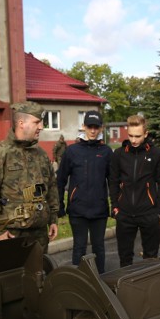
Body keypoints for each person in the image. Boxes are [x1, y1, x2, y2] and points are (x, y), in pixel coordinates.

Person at [0, 101, 59, 250]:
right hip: (12, 233)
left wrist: (53, 219)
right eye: (37, 122)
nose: (41, 127)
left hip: (39, 233)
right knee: (13, 272)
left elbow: (51, 186)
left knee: (40, 271)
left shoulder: (41, 154)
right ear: (21, 123)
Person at [109, 114, 160, 267]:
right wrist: (115, 207)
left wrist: (158, 210)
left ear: (146, 134)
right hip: (124, 214)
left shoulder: (156, 154)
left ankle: (148, 289)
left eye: (138, 136)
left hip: (149, 213)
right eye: (130, 136)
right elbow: (113, 182)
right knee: (125, 258)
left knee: (150, 258)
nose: (134, 140)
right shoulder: (119, 154)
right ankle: (126, 289)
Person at [57, 111, 111, 273]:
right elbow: (60, 179)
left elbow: (114, 181)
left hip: (99, 210)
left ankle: (100, 282)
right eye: (89, 127)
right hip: (78, 210)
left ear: (101, 128)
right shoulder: (72, 151)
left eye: (96, 127)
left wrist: (115, 204)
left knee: (98, 248)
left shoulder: (107, 152)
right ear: (83, 127)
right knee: (79, 248)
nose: (93, 131)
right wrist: (59, 205)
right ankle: (78, 281)